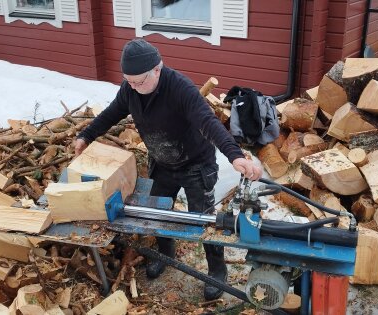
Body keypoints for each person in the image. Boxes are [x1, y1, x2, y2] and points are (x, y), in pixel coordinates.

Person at [74, 38, 262, 300]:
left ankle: (216, 271)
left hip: (196, 163)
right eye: (130, 81)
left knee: (205, 218)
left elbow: (209, 122)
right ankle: (166, 254)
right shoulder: (130, 89)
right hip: (162, 163)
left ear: (158, 69)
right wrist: (86, 135)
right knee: (159, 212)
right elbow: (111, 113)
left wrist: (235, 156)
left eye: (140, 81)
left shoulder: (180, 89)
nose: (136, 87)